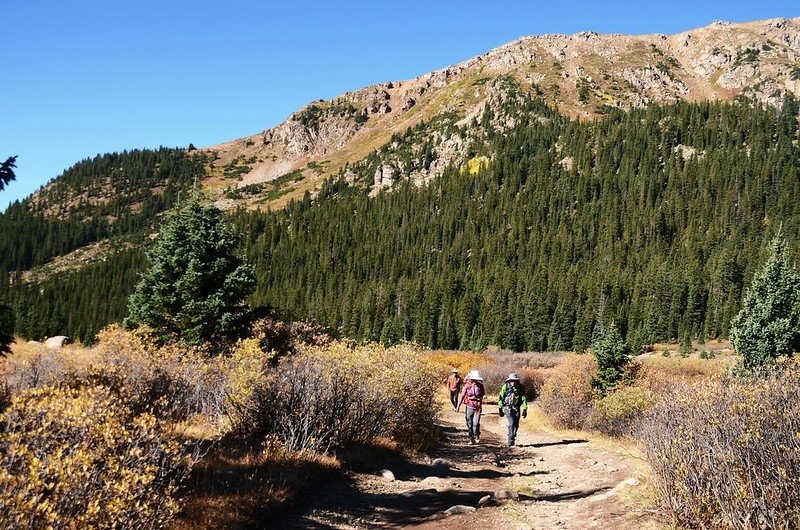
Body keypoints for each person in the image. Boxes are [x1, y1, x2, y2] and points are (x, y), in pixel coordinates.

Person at [497, 372, 528, 446]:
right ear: (509, 381)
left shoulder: (520, 388)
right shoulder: (505, 387)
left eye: (514, 381)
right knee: (511, 423)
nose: (513, 382)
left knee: (516, 425)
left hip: (517, 408)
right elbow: (501, 398)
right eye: (511, 381)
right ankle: (510, 440)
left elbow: (523, 398)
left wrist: (525, 409)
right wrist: (500, 409)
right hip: (508, 408)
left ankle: (513, 437)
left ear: (517, 381)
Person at [456, 370, 485, 444]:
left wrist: (483, 397)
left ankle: (477, 435)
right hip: (469, 406)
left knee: (476, 423)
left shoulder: (480, 386)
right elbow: (462, 395)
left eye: (476, 379)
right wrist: (458, 406)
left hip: (477, 407)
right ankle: (471, 438)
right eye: (474, 379)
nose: (475, 381)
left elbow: (483, 394)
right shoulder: (467, 386)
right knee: (469, 423)